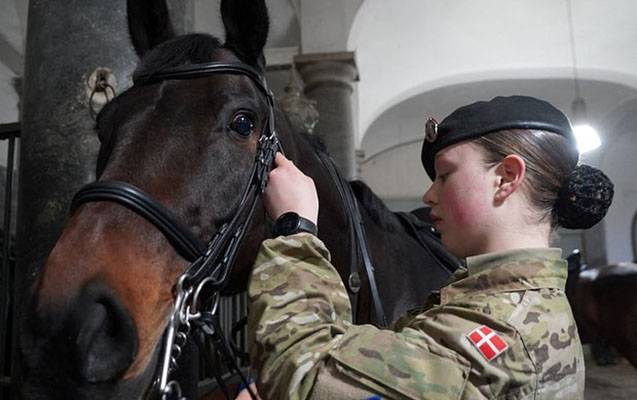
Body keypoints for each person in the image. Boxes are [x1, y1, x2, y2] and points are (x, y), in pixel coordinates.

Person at [237, 95, 614, 399]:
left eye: (445, 174)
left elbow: (303, 376)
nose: (428, 194)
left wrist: (296, 229)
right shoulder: (506, 301)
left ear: (506, 177)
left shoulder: (499, 332)